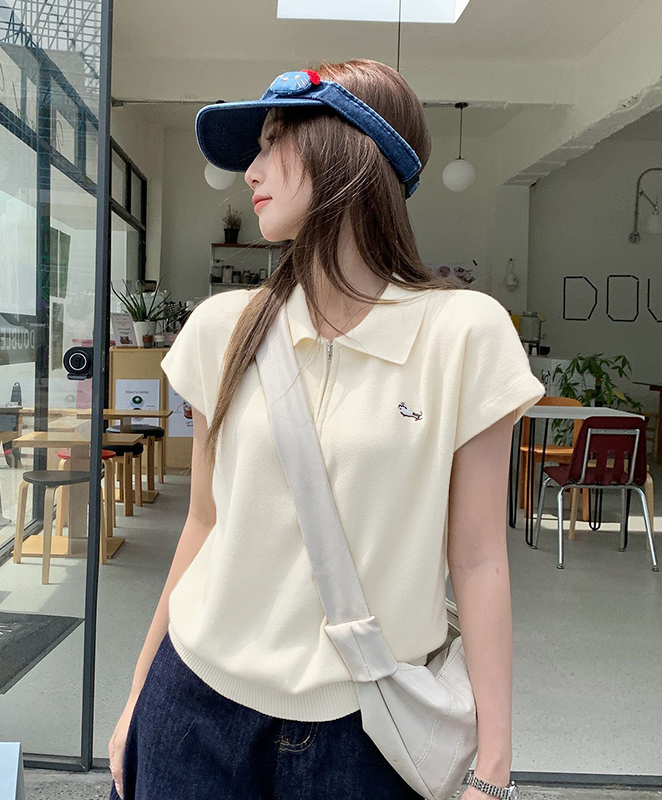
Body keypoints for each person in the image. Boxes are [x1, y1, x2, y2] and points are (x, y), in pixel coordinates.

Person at [108, 58, 545, 800]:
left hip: (366, 736)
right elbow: (203, 524)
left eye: (274, 141)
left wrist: (493, 769)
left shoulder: (464, 333)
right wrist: (135, 701)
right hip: (194, 707)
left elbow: (478, 560)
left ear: (349, 151)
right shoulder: (224, 327)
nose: (251, 171)